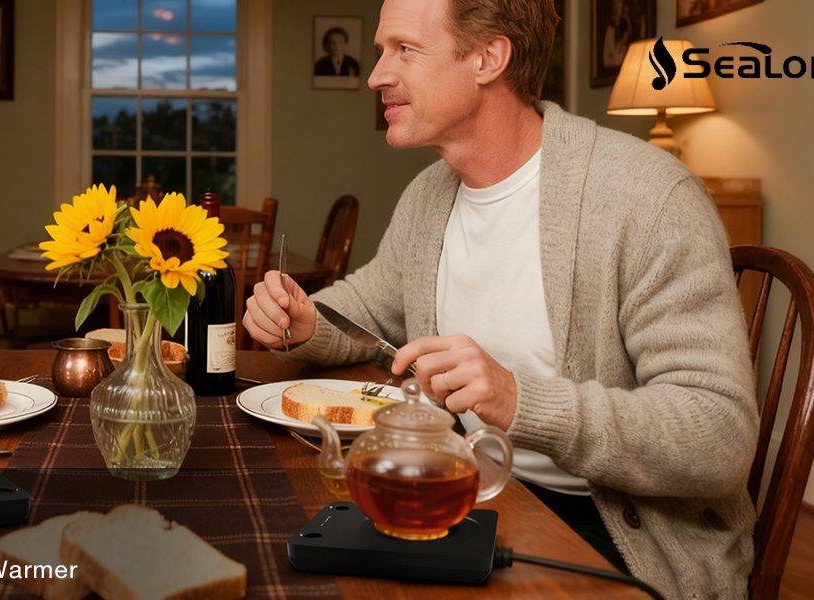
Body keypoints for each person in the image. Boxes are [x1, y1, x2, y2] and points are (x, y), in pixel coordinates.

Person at [244, 0, 757, 598]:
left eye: (404, 50)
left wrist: (519, 399)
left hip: (617, 537)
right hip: (474, 492)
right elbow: (367, 307)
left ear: (489, 58)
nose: (377, 75)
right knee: (285, 559)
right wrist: (305, 322)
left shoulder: (648, 199)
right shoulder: (430, 194)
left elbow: (718, 435)